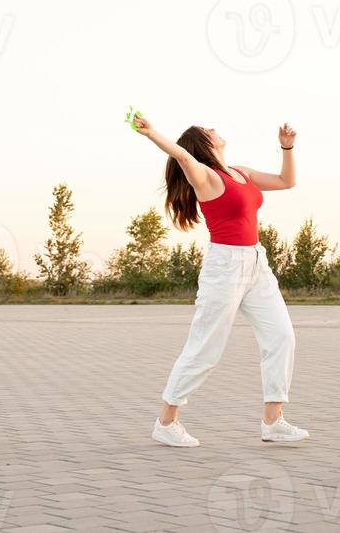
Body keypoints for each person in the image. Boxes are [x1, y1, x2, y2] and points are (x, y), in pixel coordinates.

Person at [132, 114, 309, 448]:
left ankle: (273, 420)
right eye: (206, 131)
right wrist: (152, 133)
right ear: (202, 145)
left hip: (257, 263)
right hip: (225, 268)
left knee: (282, 336)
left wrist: (287, 147)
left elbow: (287, 181)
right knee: (205, 348)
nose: (214, 129)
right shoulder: (205, 177)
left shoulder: (241, 172)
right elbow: (182, 156)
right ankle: (166, 422)